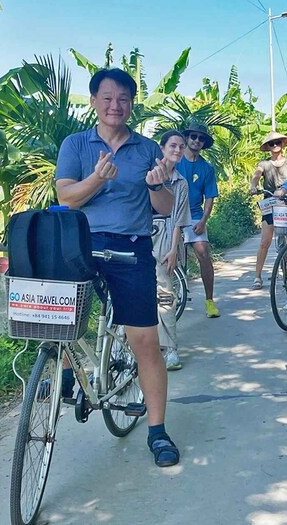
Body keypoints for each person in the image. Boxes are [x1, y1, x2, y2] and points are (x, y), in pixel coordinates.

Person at [55, 68, 180, 467]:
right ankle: (67, 369)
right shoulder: (76, 144)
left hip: (131, 248)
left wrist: (157, 185)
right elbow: (68, 198)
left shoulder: (146, 149)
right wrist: (96, 177)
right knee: (57, 317)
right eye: (107, 97)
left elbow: (164, 209)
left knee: (145, 341)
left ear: (132, 104)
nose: (115, 105)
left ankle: (157, 431)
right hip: (82, 244)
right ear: (93, 101)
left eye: (123, 98)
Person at [153, 130, 192, 370]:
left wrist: (174, 249)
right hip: (143, 233)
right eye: (173, 145)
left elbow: (178, 218)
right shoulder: (150, 173)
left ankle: (171, 349)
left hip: (168, 237)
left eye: (181, 146)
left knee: (165, 295)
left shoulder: (181, 182)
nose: (177, 150)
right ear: (162, 147)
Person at [176, 122, 221, 318]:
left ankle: (209, 301)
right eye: (193, 136)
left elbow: (210, 196)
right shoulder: (174, 161)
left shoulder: (206, 168)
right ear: (187, 138)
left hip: (195, 215)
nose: (197, 141)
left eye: (201, 138)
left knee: (203, 254)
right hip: (171, 214)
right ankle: (172, 297)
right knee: (169, 258)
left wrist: (203, 220)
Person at [249, 130, 287, 289]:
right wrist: (253, 186)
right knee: (265, 241)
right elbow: (256, 175)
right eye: (272, 143)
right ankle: (257, 276)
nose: (275, 145)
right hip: (270, 203)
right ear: (268, 147)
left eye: (278, 142)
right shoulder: (264, 164)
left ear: (283, 144)